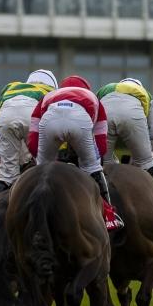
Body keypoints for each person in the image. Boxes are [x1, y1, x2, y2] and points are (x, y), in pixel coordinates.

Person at [27, 75, 122, 231]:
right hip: (80, 120)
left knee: (41, 170)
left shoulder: (49, 96)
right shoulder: (92, 97)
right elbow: (101, 143)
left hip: (50, 120)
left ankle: (28, 213)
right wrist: (92, 160)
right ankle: (109, 216)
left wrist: (39, 158)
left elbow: (33, 138)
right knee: (93, 168)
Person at [97, 78, 153, 222]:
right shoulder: (145, 94)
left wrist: (109, 162)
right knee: (146, 162)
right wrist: (144, 164)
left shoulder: (105, 89)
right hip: (131, 115)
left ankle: (98, 207)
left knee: (103, 166)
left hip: (104, 112)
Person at [0, 69, 58, 196]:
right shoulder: (51, 92)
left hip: (2, 121)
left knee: (6, 178)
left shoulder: (11, 88)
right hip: (31, 117)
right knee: (45, 171)